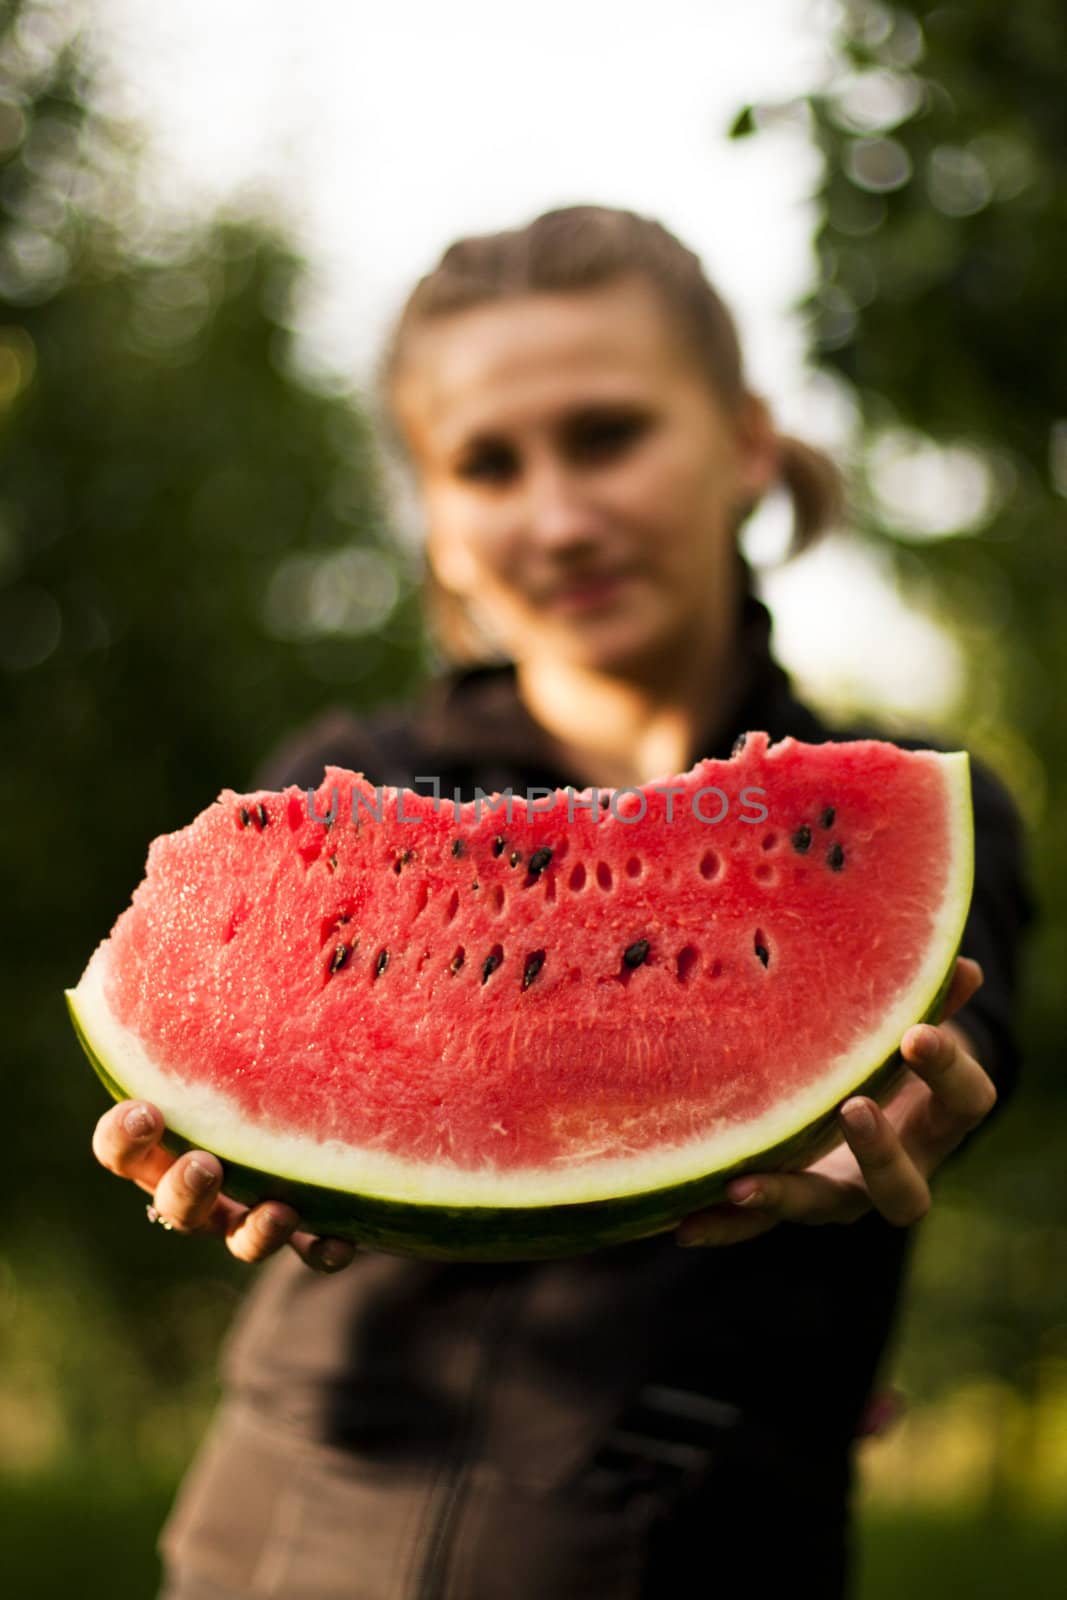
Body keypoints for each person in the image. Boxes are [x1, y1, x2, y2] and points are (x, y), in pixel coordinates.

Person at [92, 205, 1035, 1598]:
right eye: (486, 465)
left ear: (747, 444)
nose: (557, 516)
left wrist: (881, 1124)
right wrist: (234, 1133)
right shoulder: (340, 794)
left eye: (606, 435)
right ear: (440, 522)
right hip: (279, 1551)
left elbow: (960, 1041)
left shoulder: (904, 822)